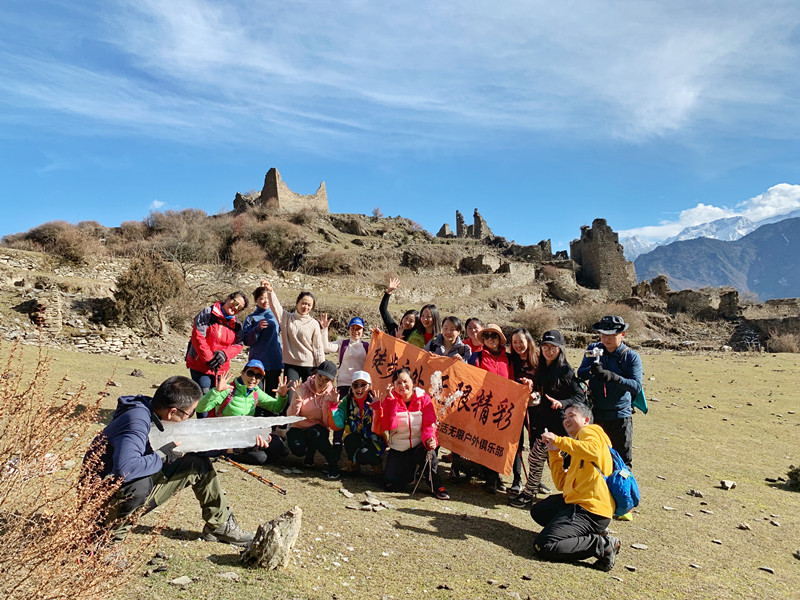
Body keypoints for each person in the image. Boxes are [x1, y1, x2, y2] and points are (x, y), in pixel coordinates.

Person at [82, 376, 254, 546]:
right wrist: (162, 456)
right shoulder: (136, 422)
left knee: (196, 462)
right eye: (190, 413)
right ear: (172, 411)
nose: (190, 417)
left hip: (117, 489)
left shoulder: (156, 414)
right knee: (139, 485)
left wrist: (240, 447)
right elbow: (125, 469)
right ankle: (106, 541)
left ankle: (219, 525)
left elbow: (193, 446)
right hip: (101, 500)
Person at [531, 403, 620, 572]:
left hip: (591, 510)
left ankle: (602, 545)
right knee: (540, 511)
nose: (566, 420)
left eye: (572, 415)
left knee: (543, 545)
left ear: (586, 420)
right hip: (577, 504)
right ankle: (586, 534)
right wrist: (553, 452)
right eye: (564, 417)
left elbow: (593, 451)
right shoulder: (578, 447)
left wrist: (558, 440)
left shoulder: (590, 431)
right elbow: (562, 484)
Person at [510, 330, 585, 509]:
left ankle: (572, 496)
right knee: (536, 457)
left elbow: (579, 396)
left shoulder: (566, 371)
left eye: (553, 347)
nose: (548, 350)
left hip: (561, 425)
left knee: (563, 462)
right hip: (542, 421)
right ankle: (531, 492)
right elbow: (540, 390)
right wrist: (531, 387)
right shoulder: (541, 367)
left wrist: (562, 402)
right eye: (545, 346)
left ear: (560, 349)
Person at [196, 360, 294, 465]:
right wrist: (216, 391)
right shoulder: (228, 390)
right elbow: (200, 408)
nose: (253, 378)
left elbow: (276, 408)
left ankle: (251, 449)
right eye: (250, 373)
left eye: (258, 376)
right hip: (226, 437)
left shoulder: (255, 392)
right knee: (261, 458)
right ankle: (230, 452)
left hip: (246, 434)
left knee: (281, 450)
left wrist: (282, 396)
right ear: (243, 373)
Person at [576, 316, 642, 471]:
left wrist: (613, 377)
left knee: (621, 463)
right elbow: (581, 374)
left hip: (620, 417)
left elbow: (636, 386)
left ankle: (623, 494)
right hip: (595, 414)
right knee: (593, 459)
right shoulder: (593, 350)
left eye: (611, 335)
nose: (606, 338)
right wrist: (592, 370)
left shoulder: (631, 357)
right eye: (603, 334)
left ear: (622, 334)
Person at [373, 368, 449, 500]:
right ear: (393, 385)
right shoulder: (390, 400)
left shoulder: (423, 398)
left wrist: (429, 439)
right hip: (399, 448)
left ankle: (437, 486)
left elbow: (429, 424)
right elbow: (388, 426)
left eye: (405, 381)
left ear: (413, 383)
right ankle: (410, 473)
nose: (402, 386)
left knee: (429, 455)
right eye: (398, 383)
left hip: (419, 445)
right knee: (390, 485)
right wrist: (390, 402)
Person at [261, 280, 326, 405]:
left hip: (310, 366)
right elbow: (276, 307)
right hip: (291, 365)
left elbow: (318, 348)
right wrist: (270, 291)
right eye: (303, 303)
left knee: (309, 399)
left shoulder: (313, 324)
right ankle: (288, 423)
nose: (305, 307)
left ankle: (306, 423)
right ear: (297, 303)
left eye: (309, 305)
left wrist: (321, 369)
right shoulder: (286, 318)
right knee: (290, 398)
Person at [467, 324, 514, 493]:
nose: (489, 339)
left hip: (503, 408)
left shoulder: (508, 358)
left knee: (499, 443)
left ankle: (495, 475)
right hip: (484, 406)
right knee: (486, 443)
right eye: (486, 336)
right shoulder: (476, 356)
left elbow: (514, 382)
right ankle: (490, 478)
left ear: (499, 339)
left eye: (493, 336)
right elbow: (470, 378)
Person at [286, 360, 342, 479]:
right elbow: (291, 416)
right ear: (315, 374)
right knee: (298, 450)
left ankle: (333, 463)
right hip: (299, 427)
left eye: (326, 379)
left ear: (331, 381)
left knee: (315, 433)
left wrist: (330, 404)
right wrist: (298, 399)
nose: (321, 381)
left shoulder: (331, 394)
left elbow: (327, 424)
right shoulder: (302, 388)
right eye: (320, 376)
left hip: (318, 429)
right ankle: (308, 454)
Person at [185, 291, 248, 395]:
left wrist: (224, 354)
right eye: (235, 303)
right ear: (228, 298)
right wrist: (209, 359)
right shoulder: (208, 314)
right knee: (204, 399)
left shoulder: (237, 324)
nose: (236, 308)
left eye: (240, 308)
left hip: (221, 369)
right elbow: (198, 337)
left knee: (217, 400)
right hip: (201, 365)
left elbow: (239, 344)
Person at [329, 371, 386, 474]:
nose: (359, 389)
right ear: (351, 387)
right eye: (355, 385)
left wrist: (377, 410)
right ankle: (353, 464)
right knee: (349, 439)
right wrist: (333, 407)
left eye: (363, 385)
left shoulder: (375, 400)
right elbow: (338, 425)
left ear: (369, 386)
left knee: (363, 455)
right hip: (356, 436)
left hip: (374, 437)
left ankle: (377, 464)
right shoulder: (347, 401)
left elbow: (379, 429)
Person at [508, 328, 539, 496]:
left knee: (536, 443)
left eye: (521, 341)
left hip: (535, 408)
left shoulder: (538, 360)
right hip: (515, 408)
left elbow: (543, 384)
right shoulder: (510, 360)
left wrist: (535, 392)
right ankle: (517, 479)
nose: (518, 345)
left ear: (528, 341)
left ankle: (535, 479)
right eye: (515, 342)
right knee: (516, 444)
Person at [241, 282, 283, 407]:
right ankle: (255, 421)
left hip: (274, 360)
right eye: (261, 298)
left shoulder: (277, 315)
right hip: (257, 362)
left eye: (267, 298)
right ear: (256, 300)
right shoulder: (251, 318)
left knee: (271, 395)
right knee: (255, 395)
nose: (265, 301)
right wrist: (257, 329)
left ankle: (271, 423)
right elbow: (246, 341)